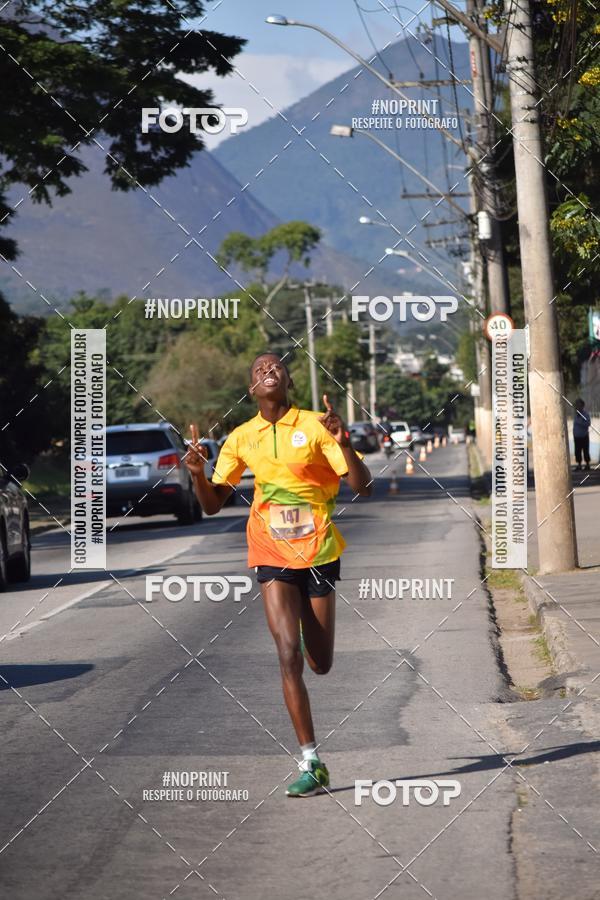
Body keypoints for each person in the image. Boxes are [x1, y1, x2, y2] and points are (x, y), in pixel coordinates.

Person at [185, 353, 372, 797]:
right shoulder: (241, 437)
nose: (267, 371)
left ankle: (308, 637)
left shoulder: (315, 426)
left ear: (288, 381)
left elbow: (361, 486)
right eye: (258, 370)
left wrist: (344, 443)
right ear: (252, 388)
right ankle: (311, 759)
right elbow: (213, 504)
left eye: (275, 367)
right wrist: (196, 475)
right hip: (269, 552)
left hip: (319, 551)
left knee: (319, 663)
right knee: (287, 653)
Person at [573, 398, 591, 471]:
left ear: (582, 406)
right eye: (577, 405)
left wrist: (580, 423)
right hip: (577, 437)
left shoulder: (585, 414)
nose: (577, 406)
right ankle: (579, 465)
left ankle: (587, 465)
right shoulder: (576, 415)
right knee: (577, 451)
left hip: (584, 436)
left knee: (585, 450)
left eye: (579, 405)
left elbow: (588, 423)